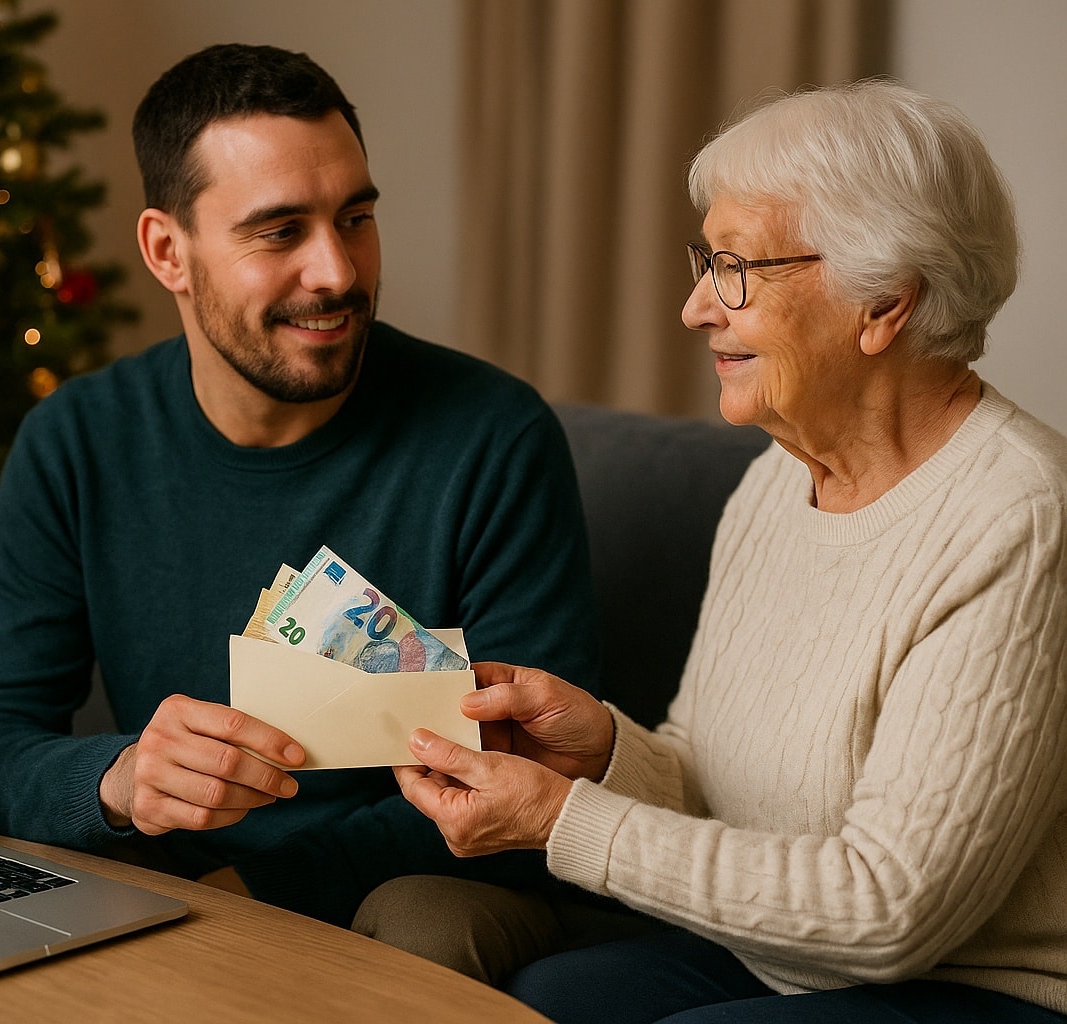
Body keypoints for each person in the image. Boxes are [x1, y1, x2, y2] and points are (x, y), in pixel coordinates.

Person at [393, 79, 1067, 1023]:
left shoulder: (1019, 517)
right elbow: (711, 779)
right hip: (783, 958)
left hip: (970, 986)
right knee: (545, 1001)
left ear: (883, 303)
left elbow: (891, 910)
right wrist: (601, 753)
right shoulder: (773, 482)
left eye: (736, 268)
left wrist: (560, 820)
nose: (695, 308)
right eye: (705, 262)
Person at [0, 43, 599, 977]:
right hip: (161, 884)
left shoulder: (493, 438)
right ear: (167, 251)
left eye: (356, 218)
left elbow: (528, 778)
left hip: (406, 882)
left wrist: (251, 892)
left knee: (424, 924)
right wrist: (117, 781)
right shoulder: (77, 440)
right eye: (280, 231)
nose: (336, 271)